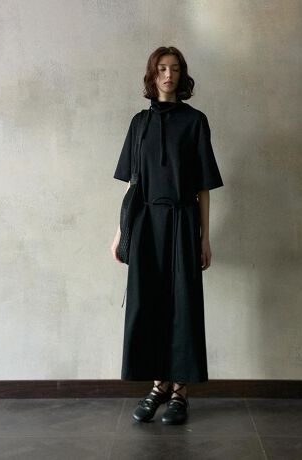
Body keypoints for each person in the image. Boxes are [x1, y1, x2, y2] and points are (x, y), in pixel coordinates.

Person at [111, 46, 224, 425]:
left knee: (183, 303)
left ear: (182, 74)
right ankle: (158, 385)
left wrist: (204, 237)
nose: (168, 75)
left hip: (182, 220)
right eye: (161, 68)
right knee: (149, 302)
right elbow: (131, 184)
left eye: (174, 69)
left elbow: (203, 186)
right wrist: (120, 233)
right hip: (145, 223)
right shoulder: (138, 123)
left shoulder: (195, 121)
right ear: (152, 74)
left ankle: (180, 392)